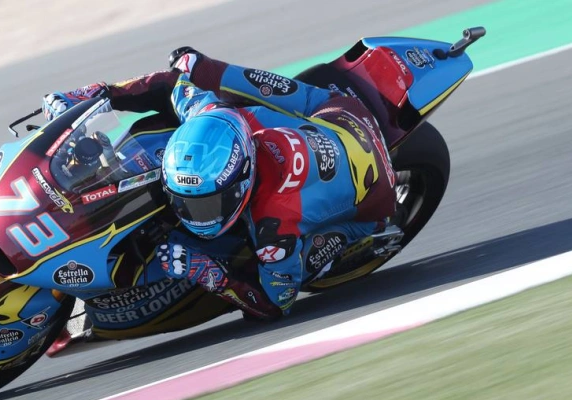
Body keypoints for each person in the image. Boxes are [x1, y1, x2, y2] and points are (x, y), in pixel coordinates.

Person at [42, 48, 396, 319]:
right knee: (191, 66)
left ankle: (363, 237)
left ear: (241, 181)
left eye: (207, 204)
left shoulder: (275, 224)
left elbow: (275, 305)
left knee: (280, 265)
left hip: (371, 192)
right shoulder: (210, 113)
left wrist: (206, 271)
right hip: (331, 120)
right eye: (185, 202)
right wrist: (94, 95)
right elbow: (169, 83)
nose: (191, 214)